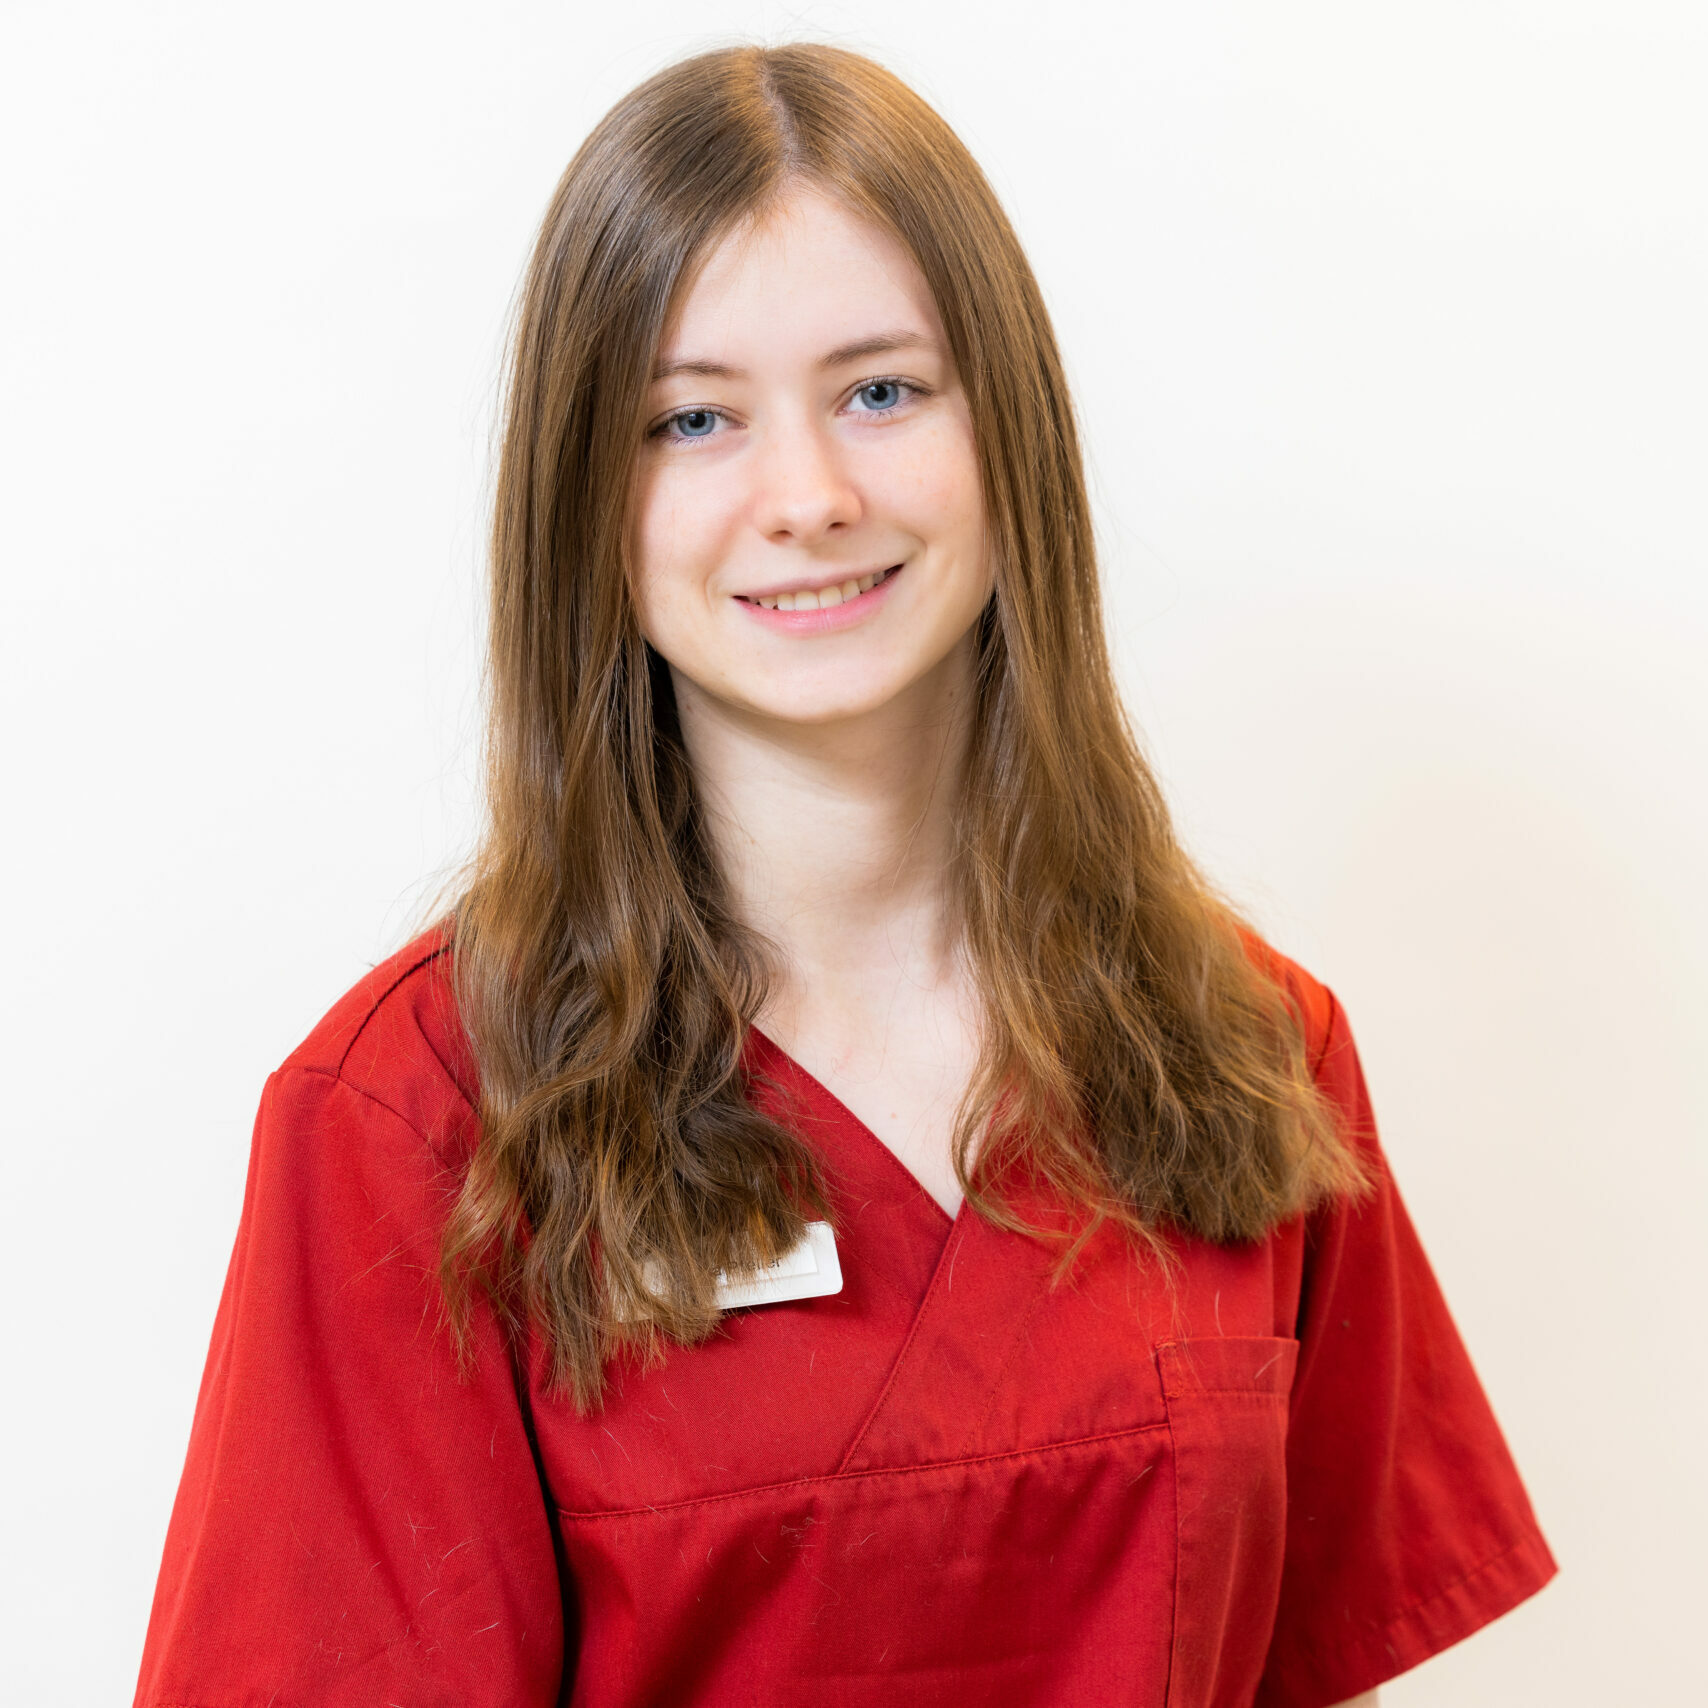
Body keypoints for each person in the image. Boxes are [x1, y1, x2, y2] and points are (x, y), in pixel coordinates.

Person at [133, 41, 1556, 1708]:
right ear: (586, 500)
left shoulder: (1245, 1050)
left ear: (1007, 430)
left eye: (882, 391)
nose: (807, 496)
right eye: (693, 419)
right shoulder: (416, 1124)